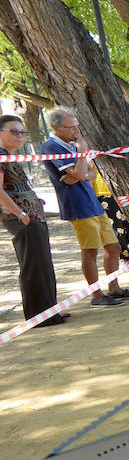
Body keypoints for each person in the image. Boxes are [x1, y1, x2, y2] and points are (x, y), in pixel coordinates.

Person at [39, 108, 129, 306]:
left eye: (77, 127)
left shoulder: (72, 145)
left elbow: (89, 173)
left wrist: (79, 173)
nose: (76, 131)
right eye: (71, 127)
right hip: (77, 205)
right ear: (55, 127)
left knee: (113, 246)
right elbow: (81, 173)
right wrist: (81, 158)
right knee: (90, 251)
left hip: (93, 202)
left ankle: (114, 287)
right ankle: (97, 295)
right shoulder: (51, 146)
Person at [1, 115, 63, 327]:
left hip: (34, 216)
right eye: (14, 132)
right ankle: (39, 317)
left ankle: (50, 312)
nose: (20, 136)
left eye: (23, 132)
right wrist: (21, 214)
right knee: (34, 266)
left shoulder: (10, 157)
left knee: (43, 264)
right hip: (21, 219)